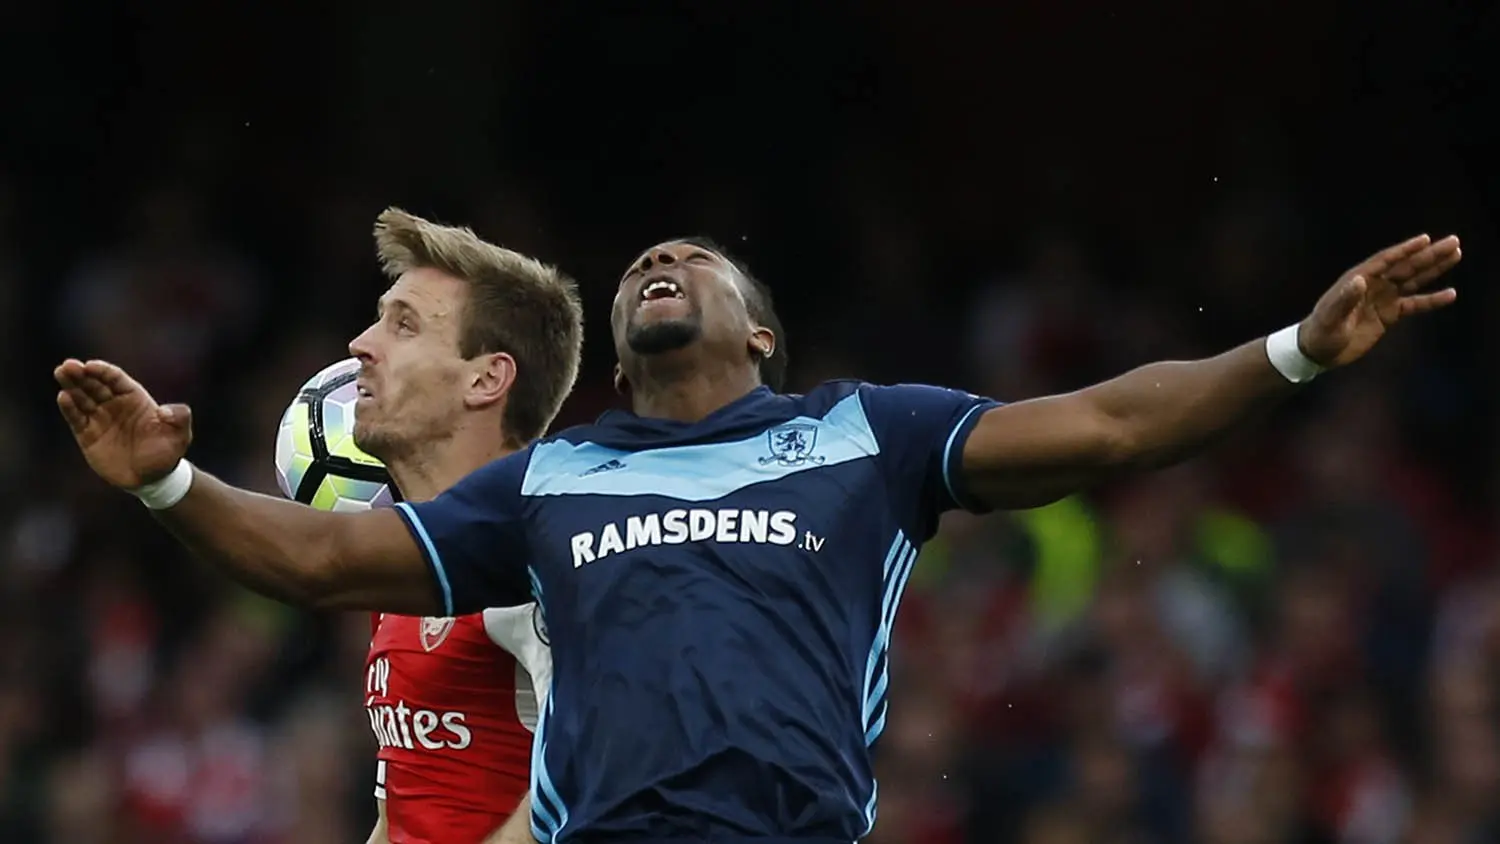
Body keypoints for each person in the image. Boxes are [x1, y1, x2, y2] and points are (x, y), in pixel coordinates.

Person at [55, 230, 1461, 842]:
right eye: (641, 265)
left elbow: (1104, 427)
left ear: (762, 335)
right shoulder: (555, 478)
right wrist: (165, 487)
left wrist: (1293, 350)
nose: (660, 263)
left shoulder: (869, 435)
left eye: (695, 262)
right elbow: (311, 562)